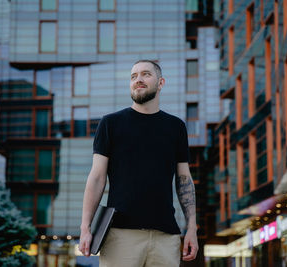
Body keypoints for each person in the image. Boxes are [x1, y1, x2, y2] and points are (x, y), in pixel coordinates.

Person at [79, 60, 198, 266]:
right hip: (120, 235)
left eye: (145, 74)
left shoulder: (176, 127)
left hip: (165, 236)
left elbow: (184, 179)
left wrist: (192, 228)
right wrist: (85, 227)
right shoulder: (111, 124)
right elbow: (97, 178)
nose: (138, 80)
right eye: (133, 76)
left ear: (161, 83)